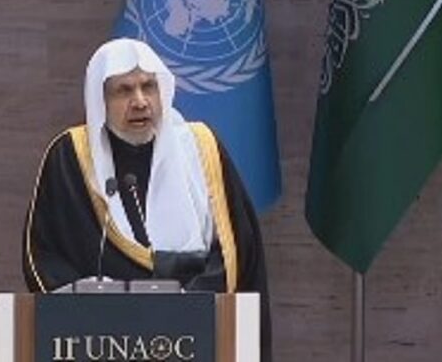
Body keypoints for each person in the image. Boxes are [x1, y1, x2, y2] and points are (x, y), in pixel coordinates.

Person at [22, 37, 272, 360]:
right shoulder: (70, 156)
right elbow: (43, 255)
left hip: (197, 332)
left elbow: (235, 247)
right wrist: (100, 310)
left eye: (148, 87)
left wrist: (186, 307)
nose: (140, 101)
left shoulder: (200, 148)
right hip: (101, 339)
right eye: (124, 91)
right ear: (100, 100)